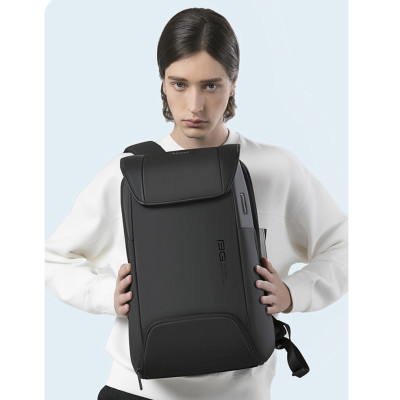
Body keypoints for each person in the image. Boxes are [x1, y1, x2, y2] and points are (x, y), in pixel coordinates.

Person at [45, 7, 348, 400]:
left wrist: (293, 293)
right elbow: (52, 259)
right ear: (162, 83)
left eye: (210, 86)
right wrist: (107, 295)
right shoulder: (128, 172)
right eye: (179, 84)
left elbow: (346, 248)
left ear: (233, 84)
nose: (194, 106)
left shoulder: (278, 168)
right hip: (138, 392)